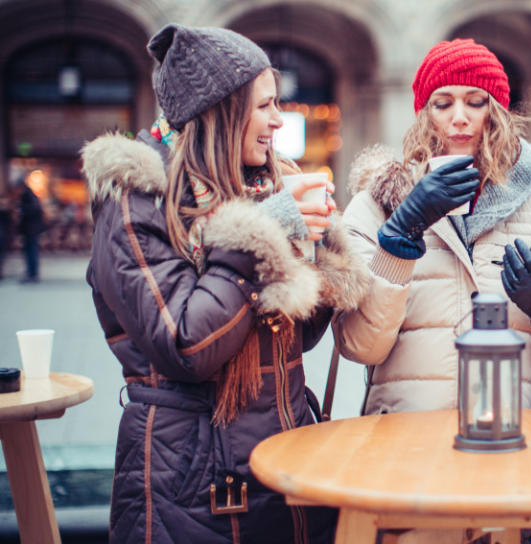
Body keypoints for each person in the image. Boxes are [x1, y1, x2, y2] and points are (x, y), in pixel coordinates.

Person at [81, 24, 369, 543]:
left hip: (285, 462)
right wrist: (266, 233)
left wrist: (320, 251)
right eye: (264, 106)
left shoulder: (257, 184)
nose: (279, 120)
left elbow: (291, 339)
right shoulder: (136, 202)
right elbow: (187, 345)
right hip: (191, 482)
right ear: (219, 111)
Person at [333, 38, 531, 419]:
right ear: (423, 113)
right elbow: (358, 347)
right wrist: (400, 237)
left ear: (497, 112)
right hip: (403, 446)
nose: (459, 117)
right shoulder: (375, 207)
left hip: (512, 441)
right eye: (443, 103)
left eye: (475, 101)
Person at [16, 180, 46, 282]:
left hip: (31, 229)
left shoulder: (27, 196)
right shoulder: (30, 195)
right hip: (31, 229)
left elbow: (34, 210)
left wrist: (21, 210)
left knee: (31, 251)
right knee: (31, 250)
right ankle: (32, 272)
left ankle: (32, 273)